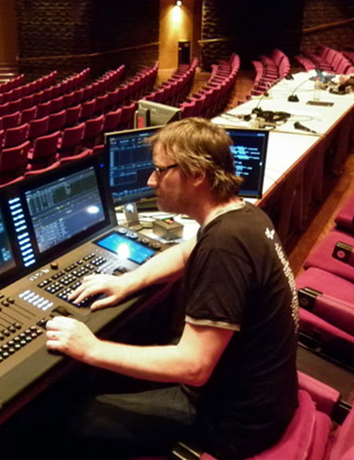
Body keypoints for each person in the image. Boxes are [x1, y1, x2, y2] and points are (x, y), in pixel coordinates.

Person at [36, 118, 300, 459]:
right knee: (114, 367)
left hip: (234, 422)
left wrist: (90, 348)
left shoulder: (224, 246)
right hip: (264, 395)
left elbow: (193, 367)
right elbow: (186, 251)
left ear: (196, 175)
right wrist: (130, 280)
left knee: (67, 419)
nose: (151, 180)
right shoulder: (241, 216)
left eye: (161, 171)